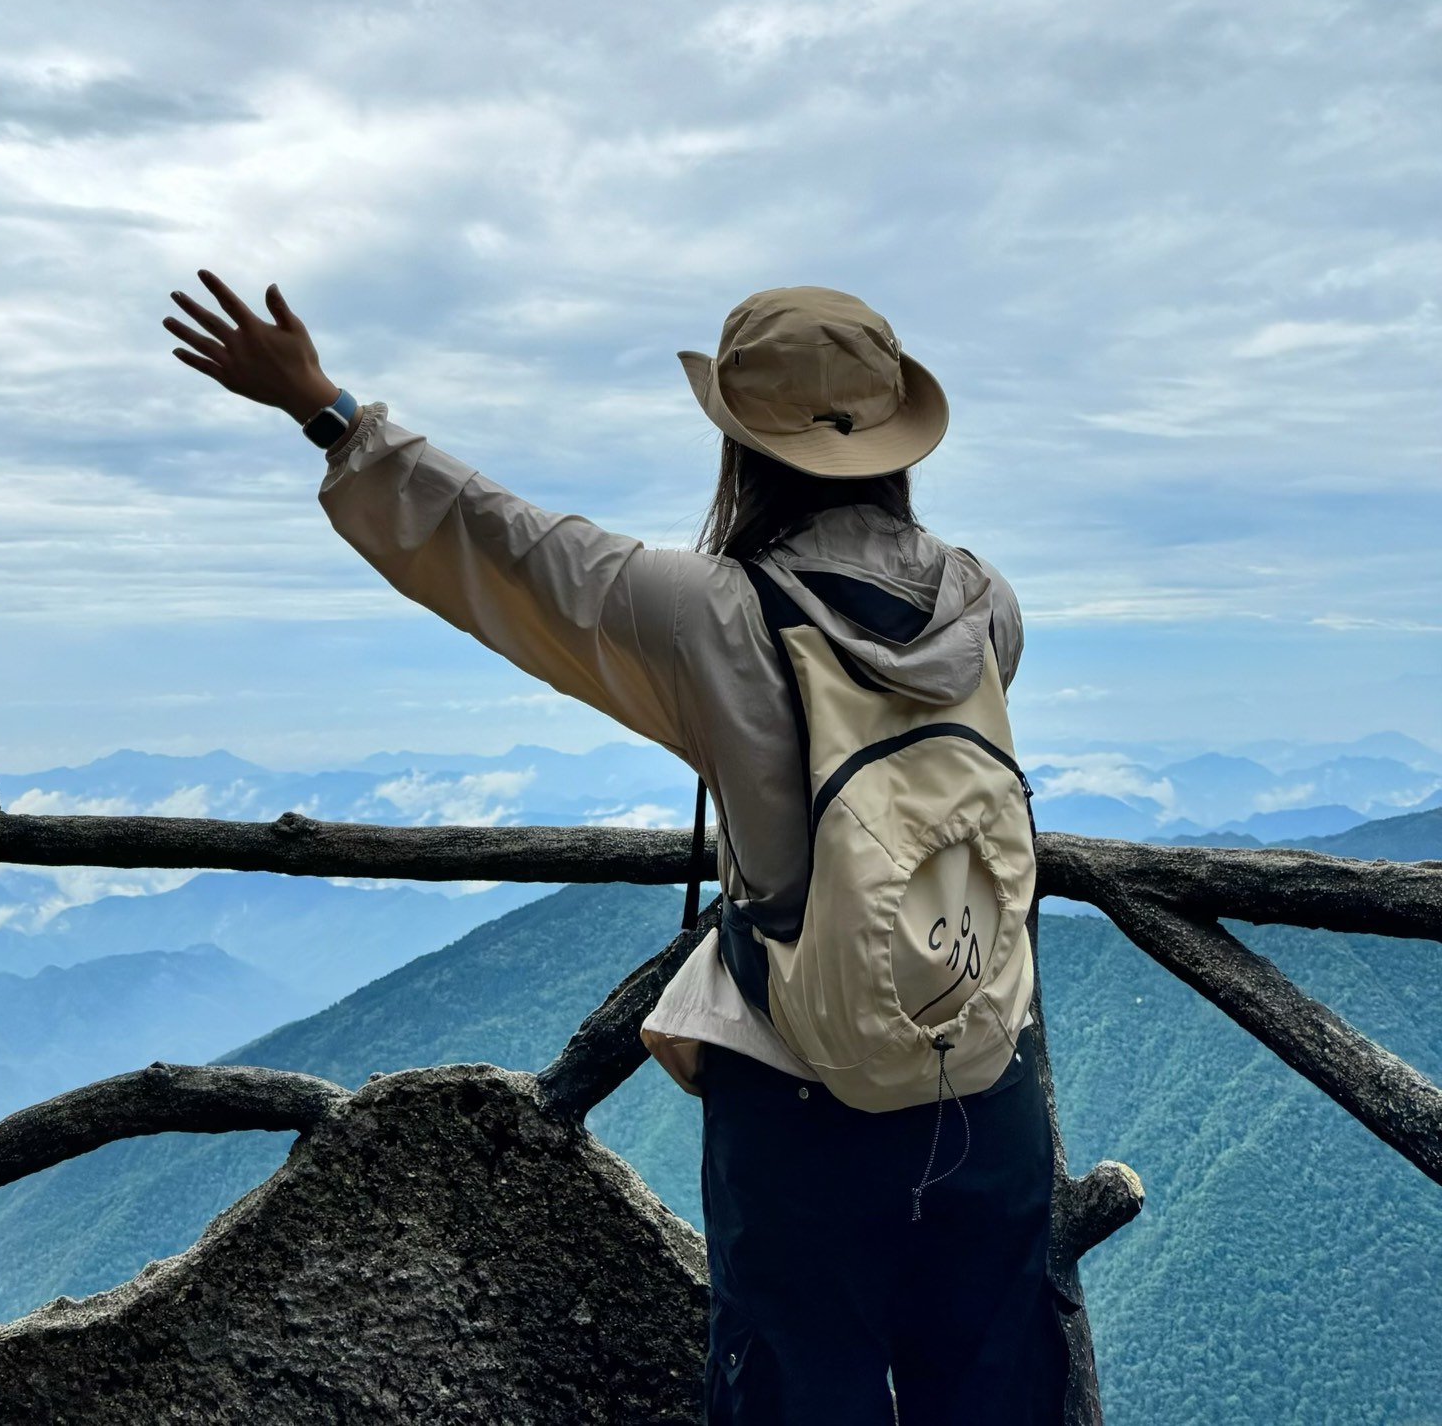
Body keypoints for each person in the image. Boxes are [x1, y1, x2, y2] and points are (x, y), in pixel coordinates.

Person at [162, 270, 1066, 1425]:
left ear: (742, 443)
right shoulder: (987, 604)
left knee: (797, 1390)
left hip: (800, 1098)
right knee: (993, 1391)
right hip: (980, 1075)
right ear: (893, 436)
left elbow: (506, 546)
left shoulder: (707, 613)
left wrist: (326, 411)